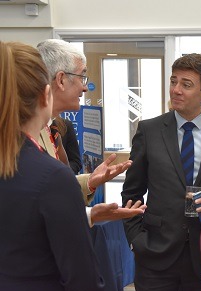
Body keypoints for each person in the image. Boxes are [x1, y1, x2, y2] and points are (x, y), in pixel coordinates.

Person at [121, 53, 201, 291]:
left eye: (186, 85)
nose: (176, 90)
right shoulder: (149, 130)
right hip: (155, 254)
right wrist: (136, 239)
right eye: (173, 81)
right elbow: (132, 192)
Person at [0, 41, 104, 291]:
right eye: (82, 76)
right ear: (45, 93)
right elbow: (83, 282)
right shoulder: (50, 176)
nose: (83, 86)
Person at [37, 39, 146, 225]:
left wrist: (90, 182)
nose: (85, 87)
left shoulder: (50, 128)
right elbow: (34, 206)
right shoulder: (23, 133)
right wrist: (90, 215)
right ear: (61, 80)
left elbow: (53, 192)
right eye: (82, 77)